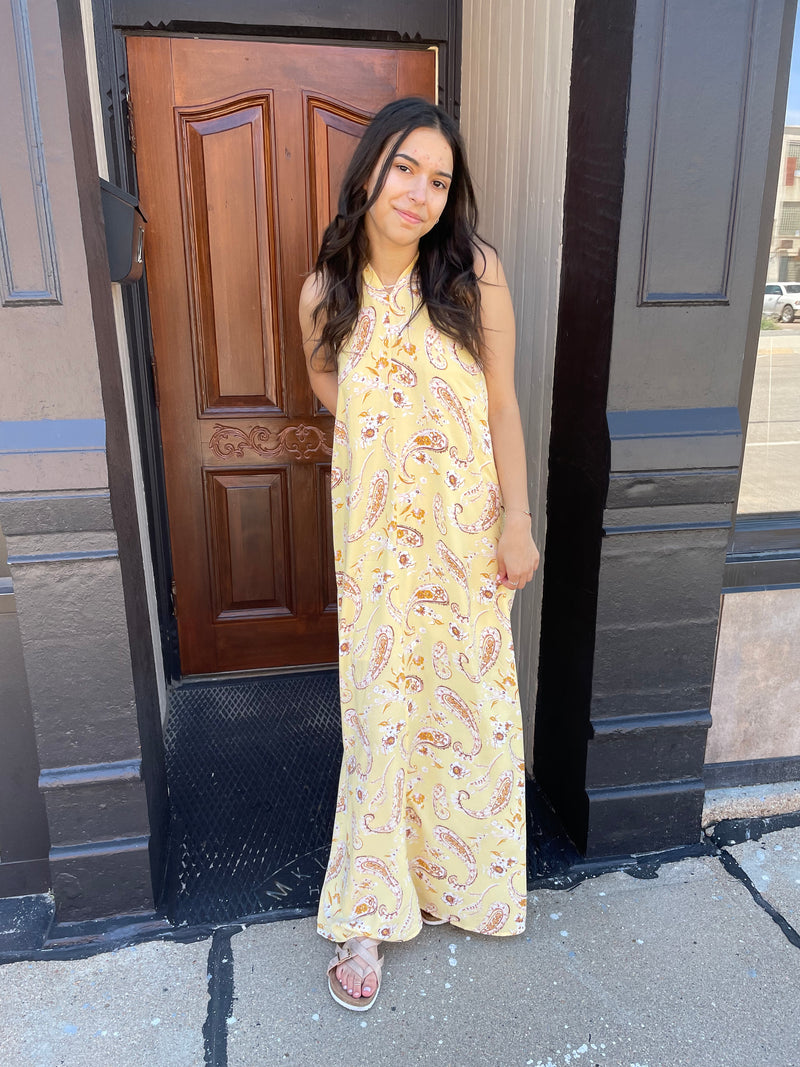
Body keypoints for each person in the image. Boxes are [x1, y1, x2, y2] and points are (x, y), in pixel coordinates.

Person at [299, 96, 539, 1012]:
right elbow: (327, 381)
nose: (420, 192)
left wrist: (517, 520)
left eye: (439, 180)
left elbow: (502, 403)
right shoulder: (326, 291)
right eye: (405, 168)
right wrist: (384, 436)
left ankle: (455, 881)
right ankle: (366, 913)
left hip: (465, 534)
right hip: (373, 543)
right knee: (379, 712)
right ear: (370, 170)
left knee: (465, 704)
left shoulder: (474, 272)